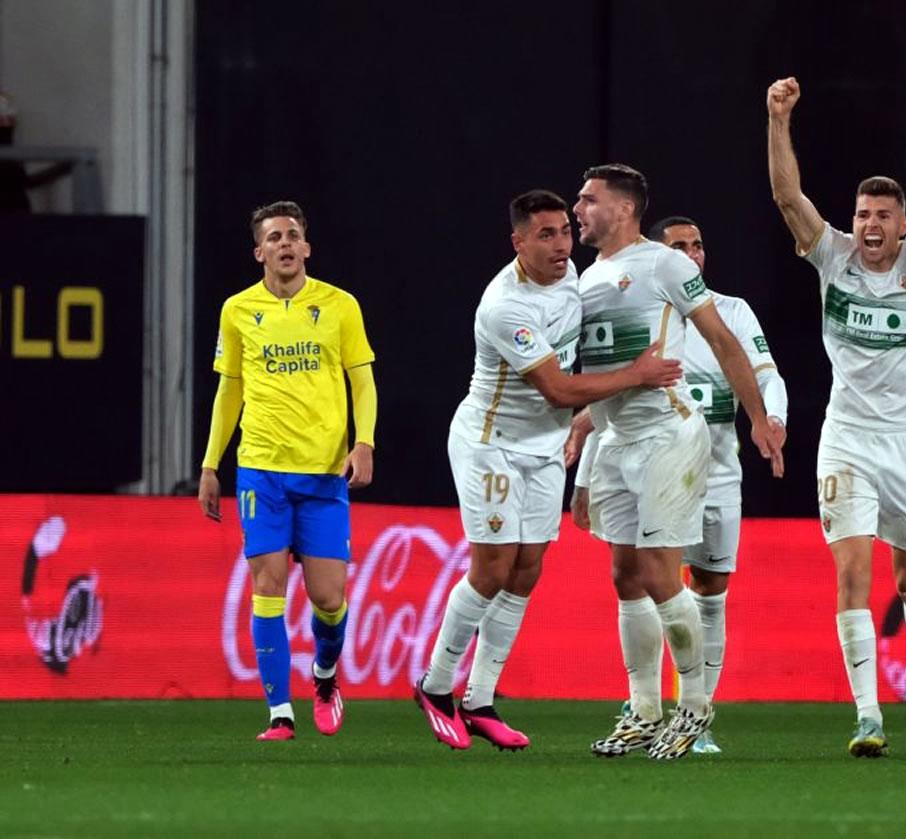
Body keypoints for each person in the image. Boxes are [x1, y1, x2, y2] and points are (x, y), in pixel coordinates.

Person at [414, 189, 684, 751]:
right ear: (518, 243)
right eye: (546, 235)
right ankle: (436, 686)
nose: (562, 244)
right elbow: (559, 390)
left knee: (528, 568)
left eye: (565, 231)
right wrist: (637, 374)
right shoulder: (505, 306)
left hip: (542, 447)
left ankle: (480, 698)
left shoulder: (569, 277)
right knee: (492, 568)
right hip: (491, 445)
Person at [766, 76, 906, 756]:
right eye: (862, 214)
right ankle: (867, 716)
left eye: (881, 215)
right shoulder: (833, 256)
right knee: (853, 574)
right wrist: (777, 119)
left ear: (902, 222)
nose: (868, 225)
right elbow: (786, 196)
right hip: (847, 439)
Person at [570, 164, 785, 760]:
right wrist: (585, 458)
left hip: (669, 436)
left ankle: (693, 708)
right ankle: (642, 709)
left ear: (623, 209)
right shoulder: (590, 277)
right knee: (624, 578)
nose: (578, 209)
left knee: (665, 577)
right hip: (616, 443)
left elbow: (722, 340)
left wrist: (760, 417)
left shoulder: (665, 265)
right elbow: (594, 382)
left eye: (589, 199)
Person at [198, 200, 377, 741]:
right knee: (267, 585)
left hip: (324, 473)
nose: (284, 244)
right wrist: (211, 465)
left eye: (293, 235)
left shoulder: (340, 305)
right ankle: (280, 712)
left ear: (306, 248)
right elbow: (229, 390)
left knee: (328, 598)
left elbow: (361, 381)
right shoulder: (237, 311)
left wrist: (364, 442)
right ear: (260, 252)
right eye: (274, 237)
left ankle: (324, 677)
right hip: (262, 470)